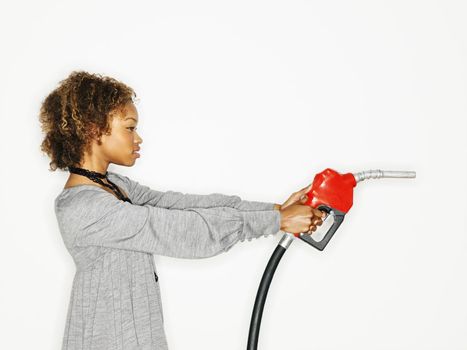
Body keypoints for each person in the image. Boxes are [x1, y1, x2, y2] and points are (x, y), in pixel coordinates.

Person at [39, 71, 325, 350]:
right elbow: (181, 230)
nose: (138, 139)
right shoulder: (85, 208)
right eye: (129, 127)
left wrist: (276, 209)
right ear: (93, 129)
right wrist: (276, 221)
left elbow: (182, 205)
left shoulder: (114, 186)